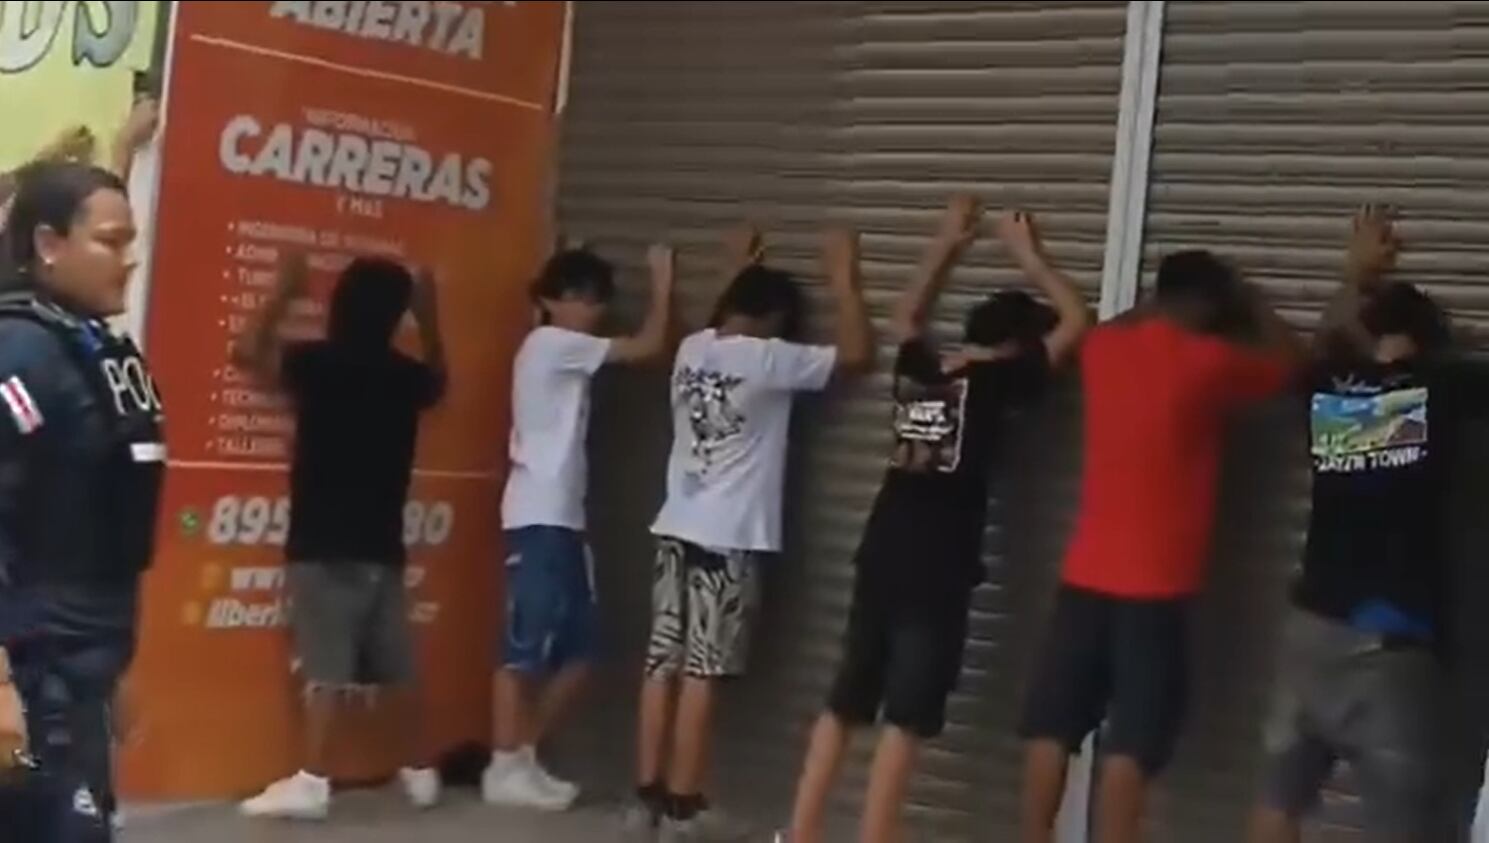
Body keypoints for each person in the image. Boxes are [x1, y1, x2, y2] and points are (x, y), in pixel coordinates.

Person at [781, 198, 1091, 843]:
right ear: (1016, 345)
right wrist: (1027, 253)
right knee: (908, 713)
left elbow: (906, 315)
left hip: (882, 544)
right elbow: (1077, 321)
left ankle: (802, 832)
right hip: (939, 563)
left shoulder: (923, 369)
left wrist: (949, 240)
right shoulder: (1001, 379)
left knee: (847, 698)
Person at [1019, 247, 1305, 843]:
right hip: (1159, 590)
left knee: (1054, 725)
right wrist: (1249, 297)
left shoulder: (1101, 350)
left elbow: (1115, 325)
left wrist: (1148, 308)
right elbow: (1291, 366)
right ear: (1206, 305)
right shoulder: (1210, 362)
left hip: (1084, 578)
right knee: (1133, 743)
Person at [623, 223, 874, 842]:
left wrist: (735, 263)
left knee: (662, 666)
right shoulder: (768, 359)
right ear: (774, 320)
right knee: (702, 672)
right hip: (725, 539)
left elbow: (722, 321)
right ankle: (684, 809)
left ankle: (644, 800)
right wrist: (843, 275)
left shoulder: (691, 351)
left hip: (675, 529)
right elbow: (858, 354)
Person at [1248, 207, 1489, 843]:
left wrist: (1353, 274)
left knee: (1278, 799)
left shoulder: (1328, 389)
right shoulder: (1446, 387)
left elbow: (1328, 342)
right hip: (1387, 647)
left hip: (1309, 626)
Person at [235, 251, 447, 820]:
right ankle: (420, 769)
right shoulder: (405, 376)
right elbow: (440, 382)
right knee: (398, 666)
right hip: (383, 544)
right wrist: (430, 318)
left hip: (323, 541)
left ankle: (311, 781)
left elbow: (246, 354)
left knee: (325, 670)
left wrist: (282, 291)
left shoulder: (316, 363)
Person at [0, 162, 165, 843]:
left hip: (81, 671)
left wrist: (113, 669)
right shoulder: (21, 351)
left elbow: (109, 514)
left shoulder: (92, 345)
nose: (127, 261)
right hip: (34, 675)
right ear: (48, 243)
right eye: (109, 241)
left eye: (130, 241)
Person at [484, 242, 675, 810]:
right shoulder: (550, 344)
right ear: (550, 301)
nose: (591, 309)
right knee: (522, 650)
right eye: (580, 298)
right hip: (537, 514)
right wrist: (663, 282)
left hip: (564, 516)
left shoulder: (562, 346)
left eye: (597, 300)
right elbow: (649, 347)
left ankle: (521, 756)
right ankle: (505, 764)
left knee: (584, 651)